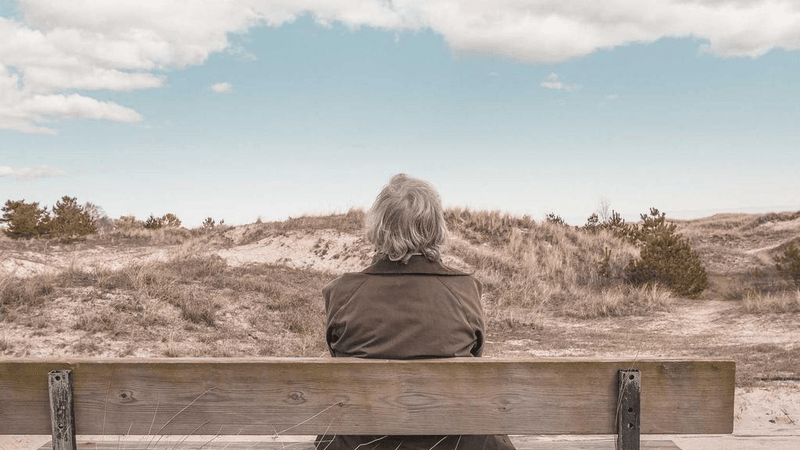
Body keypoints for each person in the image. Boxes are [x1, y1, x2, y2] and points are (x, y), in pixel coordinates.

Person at [315, 174, 515, 450]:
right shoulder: (465, 290)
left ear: (379, 229)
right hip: (453, 443)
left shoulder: (342, 293)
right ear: (436, 228)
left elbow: (338, 356)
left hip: (364, 443)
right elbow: (475, 356)